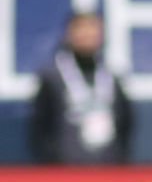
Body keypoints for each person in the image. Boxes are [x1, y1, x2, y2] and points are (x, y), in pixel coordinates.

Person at [30, 11, 133, 165]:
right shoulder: (52, 77)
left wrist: (121, 159)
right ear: (69, 34)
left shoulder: (112, 76)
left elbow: (126, 123)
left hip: (109, 167)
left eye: (93, 29)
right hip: (65, 169)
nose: (87, 35)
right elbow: (40, 128)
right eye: (80, 29)